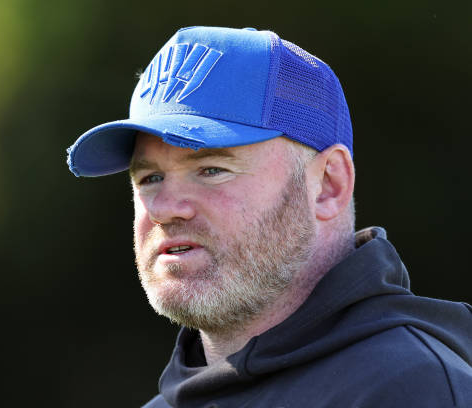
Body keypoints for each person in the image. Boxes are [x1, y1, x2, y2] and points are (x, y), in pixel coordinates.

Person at [66, 26, 472, 407]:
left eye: (211, 169)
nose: (165, 207)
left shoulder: (415, 389)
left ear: (328, 185)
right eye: (150, 177)